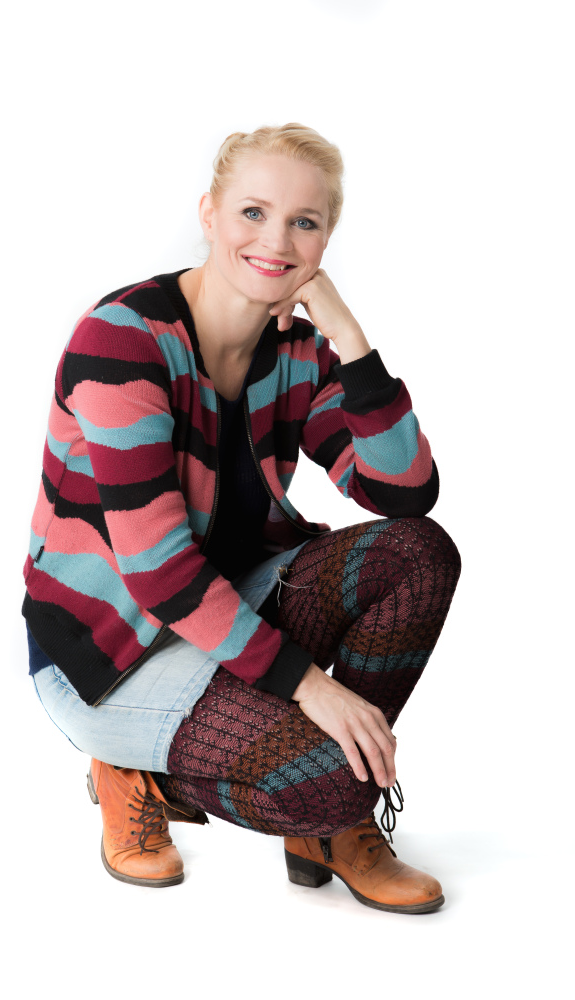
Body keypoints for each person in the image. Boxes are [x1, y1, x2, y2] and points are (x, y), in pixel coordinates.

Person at [23, 123, 461, 914]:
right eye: (253, 212)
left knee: (417, 554)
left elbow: (402, 493)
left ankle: (333, 824)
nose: (276, 240)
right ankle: (134, 772)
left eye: (304, 221)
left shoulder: (300, 352)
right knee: (325, 784)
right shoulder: (121, 339)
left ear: (325, 238)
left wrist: (352, 342)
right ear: (209, 214)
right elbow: (158, 571)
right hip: (113, 652)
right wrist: (310, 688)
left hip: (235, 609)